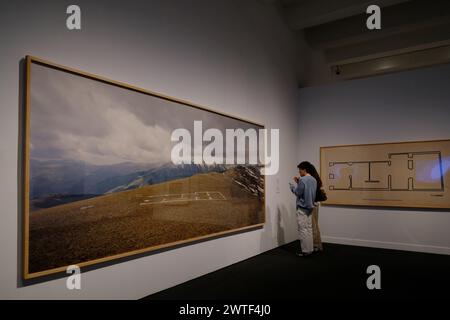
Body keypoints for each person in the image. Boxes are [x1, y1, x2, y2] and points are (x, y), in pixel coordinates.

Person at [289, 161, 317, 256]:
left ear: (304, 169)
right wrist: (299, 182)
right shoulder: (314, 180)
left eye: (300, 170)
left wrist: (292, 187)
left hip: (302, 207)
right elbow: (308, 191)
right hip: (310, 207)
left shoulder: (303, 180)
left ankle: (305, 251)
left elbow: (298, 192)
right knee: (309, 229)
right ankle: (310, 249)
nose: (299, 172)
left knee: (302, 229)